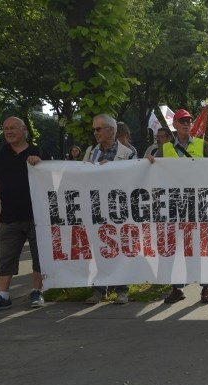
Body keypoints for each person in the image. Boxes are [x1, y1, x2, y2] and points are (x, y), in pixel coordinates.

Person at [152, 108, 208, 304]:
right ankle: (177, 289)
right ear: (175, 125)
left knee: (197, 247)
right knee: (176, 248)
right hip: (173, 205)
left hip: (197, 205)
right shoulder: (165, 149)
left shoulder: (202, 145)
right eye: (182, 121)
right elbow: (153, 172)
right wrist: (148, 163)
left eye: (189, 121)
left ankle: (206, 287)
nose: (186, 124)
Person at [0, 117, 47, 313]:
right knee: (5, 258)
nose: (8, 132)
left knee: (39, 256)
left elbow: (52, 178)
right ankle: (2, 296)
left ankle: (37, 291)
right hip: (9, 217)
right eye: (5, 129)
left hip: (37, 216)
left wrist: (41, 164)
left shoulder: (39, 151)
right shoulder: (0, 154)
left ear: (24, 129)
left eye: (12, 128)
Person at [83, 114, 136, 305]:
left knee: (120, 248)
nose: (95, 133)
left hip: (119, 208)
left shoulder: (128, 153)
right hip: (97, 206)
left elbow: (133, 179)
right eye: (94, 129)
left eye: (99, 129)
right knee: (98, 249)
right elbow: (82, 177)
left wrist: (111, 169)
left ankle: (122, 289)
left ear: (111, 130)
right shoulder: (91, 152)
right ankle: (99, 290)